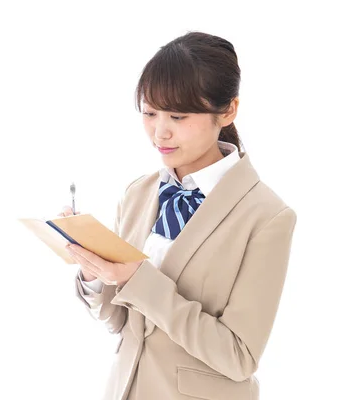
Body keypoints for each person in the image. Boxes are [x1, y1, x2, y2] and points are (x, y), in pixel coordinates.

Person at [59, 31, 297, 400]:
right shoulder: (139, 193)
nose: (160, 131)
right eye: (150, 113)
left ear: (228, 111)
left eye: (178, 115)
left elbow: (239, 356)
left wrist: (139, 278)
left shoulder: (267, 216)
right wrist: (94, 271)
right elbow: (122, 321)